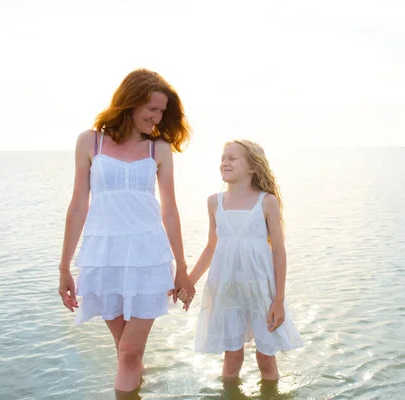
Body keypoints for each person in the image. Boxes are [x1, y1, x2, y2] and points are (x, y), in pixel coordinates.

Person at [57, 68, 196, 393]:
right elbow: (78, 204)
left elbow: (170, 210)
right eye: (152, 110)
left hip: (148, 258)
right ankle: (141, 386)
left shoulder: (158, 149)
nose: (158, 117)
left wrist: (182, 267)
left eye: (162, 111)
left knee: (129, 352)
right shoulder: (90, 141)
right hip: (104, 258)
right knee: (126, 354)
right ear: (130, 104)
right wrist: (64, 266)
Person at [180, 139, 302, 382]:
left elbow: (278, 251)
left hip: (260, 290)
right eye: (223, 158)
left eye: (232, 158)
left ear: (252, 167)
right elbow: (210, 247)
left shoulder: (267, 202)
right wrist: (189, 281)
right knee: (232, 358)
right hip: (227, 289)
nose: (224, 162)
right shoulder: (214, 202)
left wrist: (278, 299)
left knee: (266, 359)